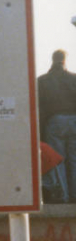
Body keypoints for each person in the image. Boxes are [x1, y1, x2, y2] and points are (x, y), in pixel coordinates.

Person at [37, 49, 76, 202]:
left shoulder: (42, 81)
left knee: (59, 161)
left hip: (55, 122)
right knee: (74, 159)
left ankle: (63, 197)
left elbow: (38, 107)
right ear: (64, 61)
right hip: (75, 120)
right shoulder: (74, 79)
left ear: (52, 61)